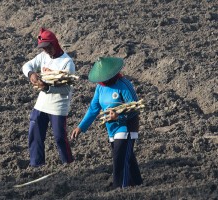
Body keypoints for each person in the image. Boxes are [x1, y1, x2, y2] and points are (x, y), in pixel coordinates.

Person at [70, 57, 143, 189]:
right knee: (127, 156)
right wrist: (81, 127)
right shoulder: (100, 88)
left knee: (119, 158)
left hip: (126, 127)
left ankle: (120, 187)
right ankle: (137, 182)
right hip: (112, 129)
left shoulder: (124, 85)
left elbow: (134, 109)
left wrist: (119, 116)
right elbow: (93, 108)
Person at [22, 28, 75, 167]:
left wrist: (47, 88)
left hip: (58, 105)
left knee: (59, 138)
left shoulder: (67, 62)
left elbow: (67, 89)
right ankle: (36, 164)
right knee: (35, 134)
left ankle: (68, 164)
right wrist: (31, 74)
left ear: (55, 44)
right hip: (41, 104)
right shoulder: (43, 56)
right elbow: (27, 65)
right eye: (44, 48)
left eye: (48, 47)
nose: (46, 51)